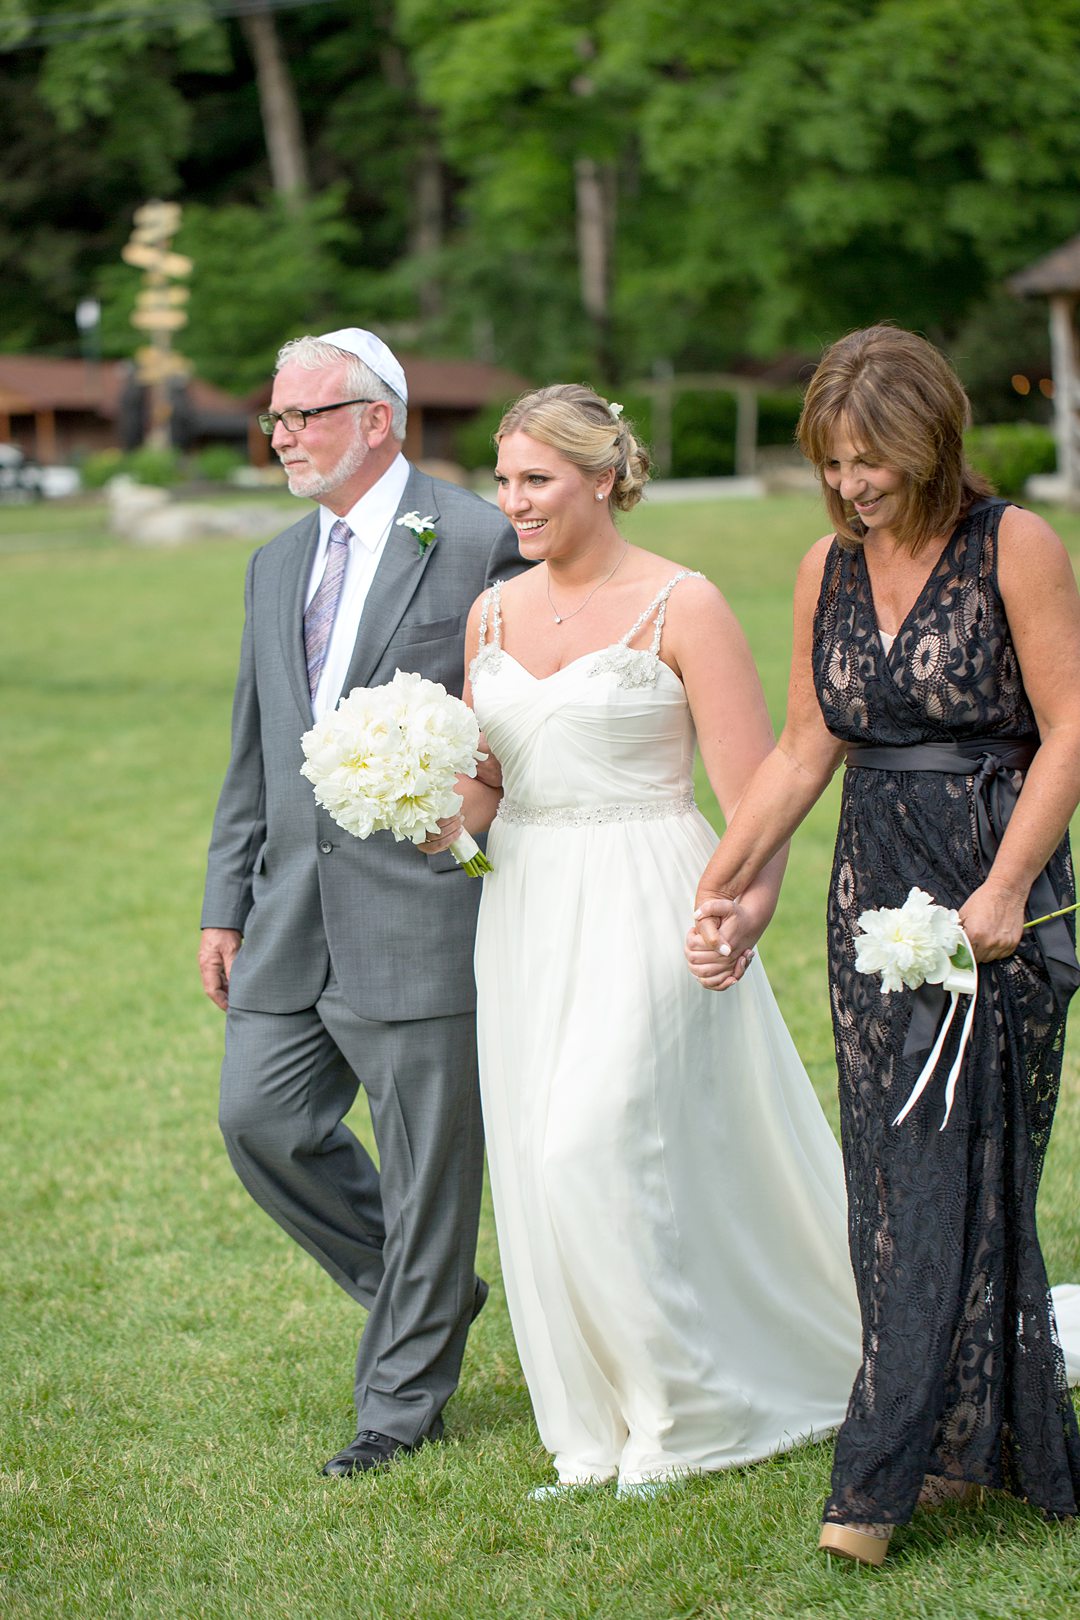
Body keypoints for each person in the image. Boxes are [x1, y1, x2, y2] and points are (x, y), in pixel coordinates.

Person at [421, 383, 863, 1497]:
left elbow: (755, 791)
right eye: (506, 478)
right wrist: (429, 815)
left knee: (591, 1141)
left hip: (652, 893)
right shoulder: (489, 615)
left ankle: (688, 1412)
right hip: (525, 904)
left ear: (605, 477)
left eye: (538, 480)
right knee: (540, 1157)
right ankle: (597, 1423)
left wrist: (744, 911)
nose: (514, 501)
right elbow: (487, 781)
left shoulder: (683, 603)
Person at [689, 325, 1080, 1563]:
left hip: (995, 887)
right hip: (875, 893)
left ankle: (876, 1483)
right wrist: (720, 878)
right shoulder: (827, 566)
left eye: (871, 459)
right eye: (832, 463)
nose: (852, 484)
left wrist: (1010, 885)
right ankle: (967, 1443)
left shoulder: (1014, 545)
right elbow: (807, 748)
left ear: (929, 440)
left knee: (972, 1170)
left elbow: (1071, 729)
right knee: (895, 1178)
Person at [199, 327, 524, 1476]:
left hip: (424, 905)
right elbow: (254, 746)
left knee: (431, 1162)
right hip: (290, 911)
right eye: (275, 419)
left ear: (376, 419)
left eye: (304, 416)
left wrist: (470, 828)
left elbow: (526, 727)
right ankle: (428, 1293)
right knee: (262, 1122)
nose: (281, 436)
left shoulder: (480, 538)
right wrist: (222, 904)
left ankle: (398, 1407)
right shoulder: (274, 562)